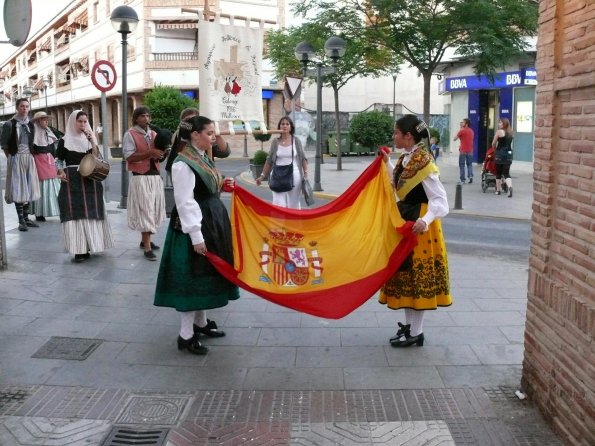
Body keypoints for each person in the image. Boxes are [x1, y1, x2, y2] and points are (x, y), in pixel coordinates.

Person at [154, 115, 239, 355]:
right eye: (209, 133)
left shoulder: (201, 156)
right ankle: (185, 334)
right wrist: (196, 237)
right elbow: (185, 202)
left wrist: (223, 183)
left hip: (211, 222)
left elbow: (209, 183)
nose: (213, 137)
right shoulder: (183, 163)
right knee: (191, 279)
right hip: (195, 226)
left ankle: (200, 324)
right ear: (194, 134)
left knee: (204, 274)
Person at [380, 114, 451, 347]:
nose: (394, 136)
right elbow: (399, 184)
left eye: (396, 133)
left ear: (408, 136)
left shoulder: (424, 162)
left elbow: (441, 200)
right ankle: (411, 329)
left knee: (417, 281)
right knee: (408, 279)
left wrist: (427, 219)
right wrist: (387, 162)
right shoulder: (407, 157)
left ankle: (416, 332)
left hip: (420, 227)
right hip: (407, 221)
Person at [56, 110, 114, 262]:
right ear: (73, 122)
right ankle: (78, 250)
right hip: (72, 180)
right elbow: (58, 159)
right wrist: (60, 171)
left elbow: (95, 158)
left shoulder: (90, 139)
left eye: (84, 121)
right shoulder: (64, 140)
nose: (82, 124)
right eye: (79, 121)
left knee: (92, 210)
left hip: (90, 179)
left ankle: (90, 245)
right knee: (74, 212)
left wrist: (93, 141)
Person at [122, 106, 166, 261]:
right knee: (145, 210)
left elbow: (157, 156)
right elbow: (128, 157)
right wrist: (150, 153)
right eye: (143, 116)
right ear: (136, 118)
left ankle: (145, 241)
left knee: (152, 209)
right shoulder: (130, 134)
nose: (146, 119)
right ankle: (147, 248)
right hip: (140, 177)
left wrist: (161, 154)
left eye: (148, 116)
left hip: (154, 176)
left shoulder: (154, 134)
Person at [0, 98, 41, 232]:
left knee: (29, 186)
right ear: (17, 108)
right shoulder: (9, 124)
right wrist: (12, 158)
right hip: (16, 158)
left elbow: (32, 143)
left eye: (27, 106)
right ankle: (21, 221)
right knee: (18, 188)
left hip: (28, 158)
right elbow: (4, 145)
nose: (24, 109)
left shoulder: (31, 125)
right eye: (22, 106)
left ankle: (27, 218)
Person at [255, 116, 308, 209]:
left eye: (287, 124)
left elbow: (303, 159)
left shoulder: (296, 141)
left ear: (291, 127)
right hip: (277, 176)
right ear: (279, 126)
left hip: (294, 176)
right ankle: (279, 223)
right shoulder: (275, 142)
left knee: (293, 204)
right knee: (278, 204)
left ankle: (294, 222)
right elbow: (269, 160)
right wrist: (262, 176)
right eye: (282, 124)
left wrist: (306, 174)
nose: (285, 126)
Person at [165, 107, 230, 173]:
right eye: (188, 120)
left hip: (205, 173)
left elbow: (224, 153)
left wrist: (215, 133)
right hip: (183, 170)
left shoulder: (204, 135)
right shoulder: (181, 133)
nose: (192, 122)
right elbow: (182, 132)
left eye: (195, 120)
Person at [30, 111, 60, 221]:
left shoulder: (48, 131)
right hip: (38, 160)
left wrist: (55, 160)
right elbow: (34, 149)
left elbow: (52, 148)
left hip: (49, 160)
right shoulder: (33, 132)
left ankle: (56, 209)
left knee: (54, 184)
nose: (46, 121)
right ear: (38, 121)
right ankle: (39, 213)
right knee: (41, 186)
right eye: (43, 119)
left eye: (47, 119)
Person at [491, 118, 514, 197]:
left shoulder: (499, 132)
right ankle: (510, 187)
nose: (499, 124)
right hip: (509, 155)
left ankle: (498, 190)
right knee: (507, 173)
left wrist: (494, 148)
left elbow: (493, 143)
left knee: (498, 173)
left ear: (504, 124)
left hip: (500, 155)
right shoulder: (511, 132)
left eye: (500, 122)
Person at [453, 118, 474, 184]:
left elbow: (454, 139)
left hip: (463, 150)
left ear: (466, 124)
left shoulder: (462, 131)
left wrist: (459, 133)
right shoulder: (471, 131)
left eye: (463, 122)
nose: (462, 123)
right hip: (470, 150)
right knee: (469, 164)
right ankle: (470, 176)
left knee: (462, 165)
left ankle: (463, 179)